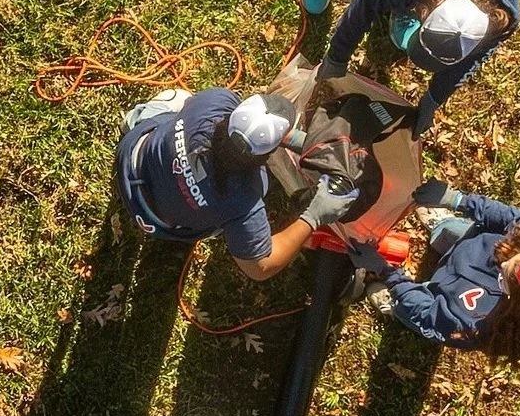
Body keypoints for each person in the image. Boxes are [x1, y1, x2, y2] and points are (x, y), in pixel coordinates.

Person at [300, 0, 519, 137]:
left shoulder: (501, 15)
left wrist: (432, 100)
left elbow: (469, 61)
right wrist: (336, 58)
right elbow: (362, 6)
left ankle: (401, 7)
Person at [114, 87, 355, 281]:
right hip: (160, 223)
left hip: (131, 162)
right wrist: (313, 216)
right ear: (265, 155)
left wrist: (306, 145)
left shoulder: (214, 102)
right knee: (254, 191)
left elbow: (231, 131)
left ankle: (134, 118)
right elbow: (260, 268)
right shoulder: (243, 201)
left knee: (179, 98)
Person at [351, 180, 520, 365]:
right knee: (447, 231)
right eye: (518, 256)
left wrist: (387, 272)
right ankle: (441, 226)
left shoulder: (478, 326)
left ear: (512, 300)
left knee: (410, 309)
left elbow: (426, 312)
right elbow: (511, 216)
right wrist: (456, 199)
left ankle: (393, 303)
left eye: (505, 277)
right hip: (469, 242)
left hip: (441, 294)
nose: (502, 263)